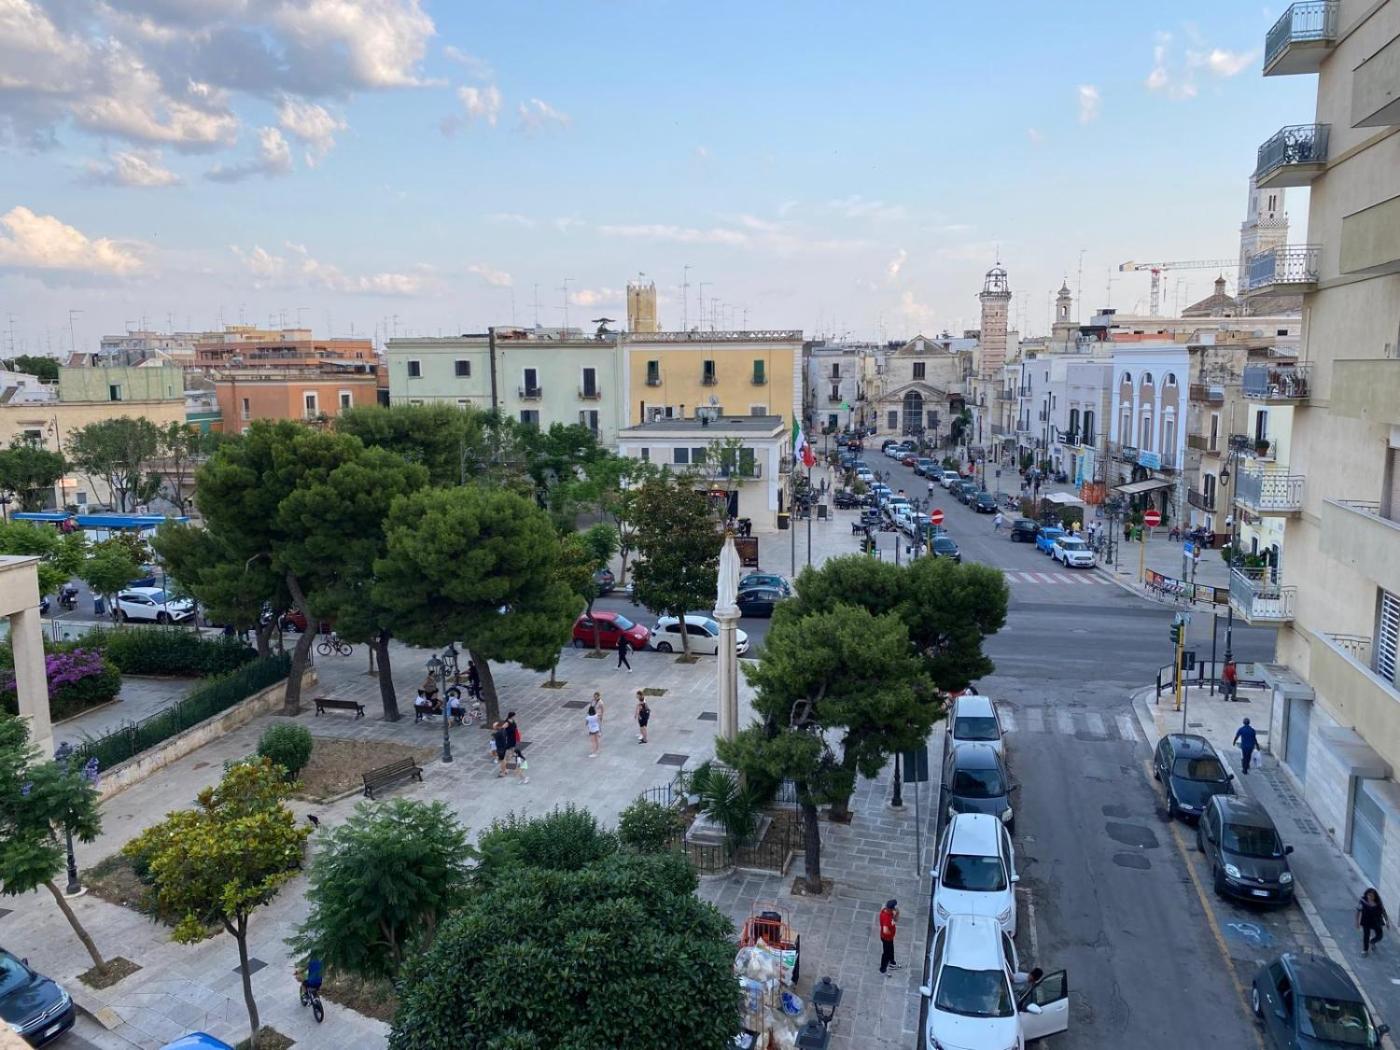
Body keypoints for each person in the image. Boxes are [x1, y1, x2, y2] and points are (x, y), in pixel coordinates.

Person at [1358, 888, 1388, 954]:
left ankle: (1372, 941)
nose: (1370, 897)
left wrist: (1387, 921)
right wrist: (1357, 922)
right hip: (1366, 920)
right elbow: (1358, 910)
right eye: (1369, 895)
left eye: (1372, 896)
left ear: (1375, 896)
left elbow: (1383, 911)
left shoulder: (1378, 903)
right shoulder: (1363, 901)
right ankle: (1365, 950)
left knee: (1379, 935)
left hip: (1376, 921)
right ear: (1366, 895)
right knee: (1366, 935)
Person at [504, 711, 528, 783]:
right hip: (510, 738)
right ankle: (507, 768)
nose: (515, 717)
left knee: (512, 755)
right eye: (514, 716)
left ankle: (508, 768)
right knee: (510, 755)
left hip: (514, 738)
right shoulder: (507, 722)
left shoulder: (513, 720)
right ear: (511, 716)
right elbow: (503, 728)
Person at [878, 899, 899, 975]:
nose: (895, 908)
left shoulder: (888, 912)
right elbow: (885, 930)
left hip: (890, 938)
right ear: (891, 908)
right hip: (886, 938)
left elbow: (895, 920)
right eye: (894, 907)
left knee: (891, 950)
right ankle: (882, 968)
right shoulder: (886, 917)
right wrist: (891, 934)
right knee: (886, 953)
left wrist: (896, 914)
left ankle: (892, 963)